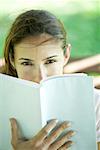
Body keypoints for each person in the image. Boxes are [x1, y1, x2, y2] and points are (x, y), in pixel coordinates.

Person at [1, 9, 100, 149]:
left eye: (50, 61)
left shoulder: (95, 103)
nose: (40, 77)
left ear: (66, 55)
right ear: (12, 60)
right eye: (26, 63)